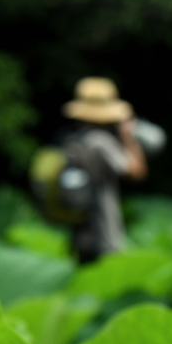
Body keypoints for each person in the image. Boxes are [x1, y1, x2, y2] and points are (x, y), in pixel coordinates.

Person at [60, 77, 147, 263]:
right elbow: (136, 172)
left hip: (80, 234)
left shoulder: (73, 141)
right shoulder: (101, 143)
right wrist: (128, 136)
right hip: (104, 232)